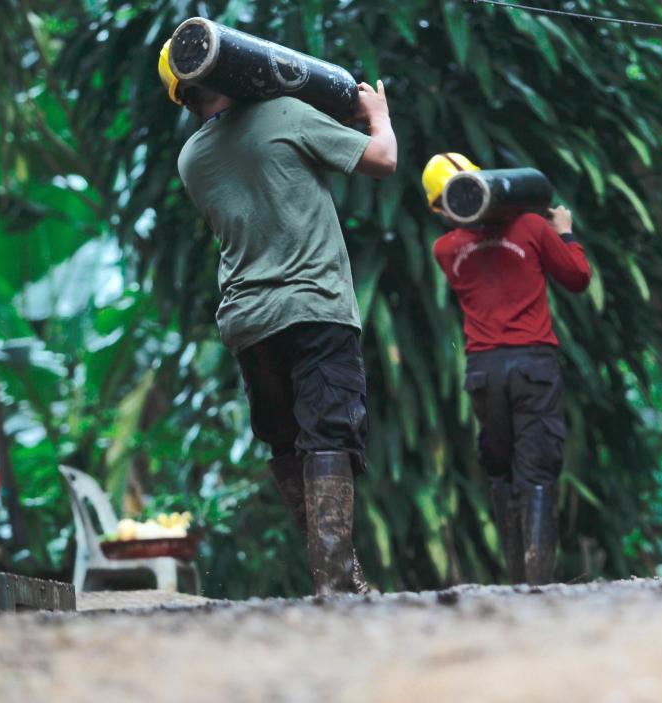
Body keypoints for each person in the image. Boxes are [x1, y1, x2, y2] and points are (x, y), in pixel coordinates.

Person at [158, 40, 397, 594]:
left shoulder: (190, 159)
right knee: (329, 436)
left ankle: (341, 577)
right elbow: (382, 162)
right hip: (315, 307)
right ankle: (337, 585)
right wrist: (377, 117)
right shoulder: (284, 113)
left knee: (289, 445)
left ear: (184, 98)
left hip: (248, 321)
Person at [423, 153, 591, 585]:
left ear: (440, 208)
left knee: (500, 471)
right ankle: (536, 583)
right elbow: (577, 277)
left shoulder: (445, 248)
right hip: (533, 364)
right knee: (537, 471)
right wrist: (566, 234)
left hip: (483, 370)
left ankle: (516, 580)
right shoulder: (532, 228)